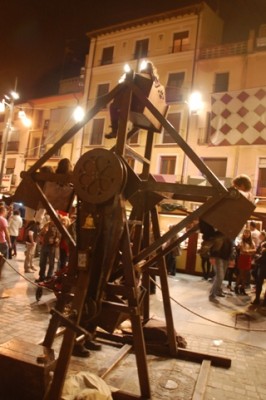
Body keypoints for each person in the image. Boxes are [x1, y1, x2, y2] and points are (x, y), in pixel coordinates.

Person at [105, 61, 162, 139]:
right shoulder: (155, 82)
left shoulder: (139, 77)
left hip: (136, 104)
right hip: (145, 107)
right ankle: (118, 129)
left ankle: (115, 130)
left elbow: (127, 84)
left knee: (114, 106)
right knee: (120, 109)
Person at [235, 228, 256, 295]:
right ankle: (236, 287)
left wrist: (248, 251)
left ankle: (242, 288)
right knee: (241, 274)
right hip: (242, 258)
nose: (247, 234)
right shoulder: (241, 240)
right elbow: (242, 250)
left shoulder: (251, 241)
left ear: (250, 234)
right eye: (245, 232)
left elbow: (254, 250)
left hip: (248, 259)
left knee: (246, 274)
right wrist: (249, 251)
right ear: (243, 233)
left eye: (248, 233)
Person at [251, 241, 266, 306]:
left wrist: (256, 257)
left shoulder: (264, 251)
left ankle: (257, 299)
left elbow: (260, 259)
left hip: (263, 269)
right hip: (263, 268)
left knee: (259, 284)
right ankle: (265, 301)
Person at [0, 205, 12, 278]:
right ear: (3, 211)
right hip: (2, 242)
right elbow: (7, 233)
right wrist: (9, 243)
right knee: (3, 258)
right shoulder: (3, 220)